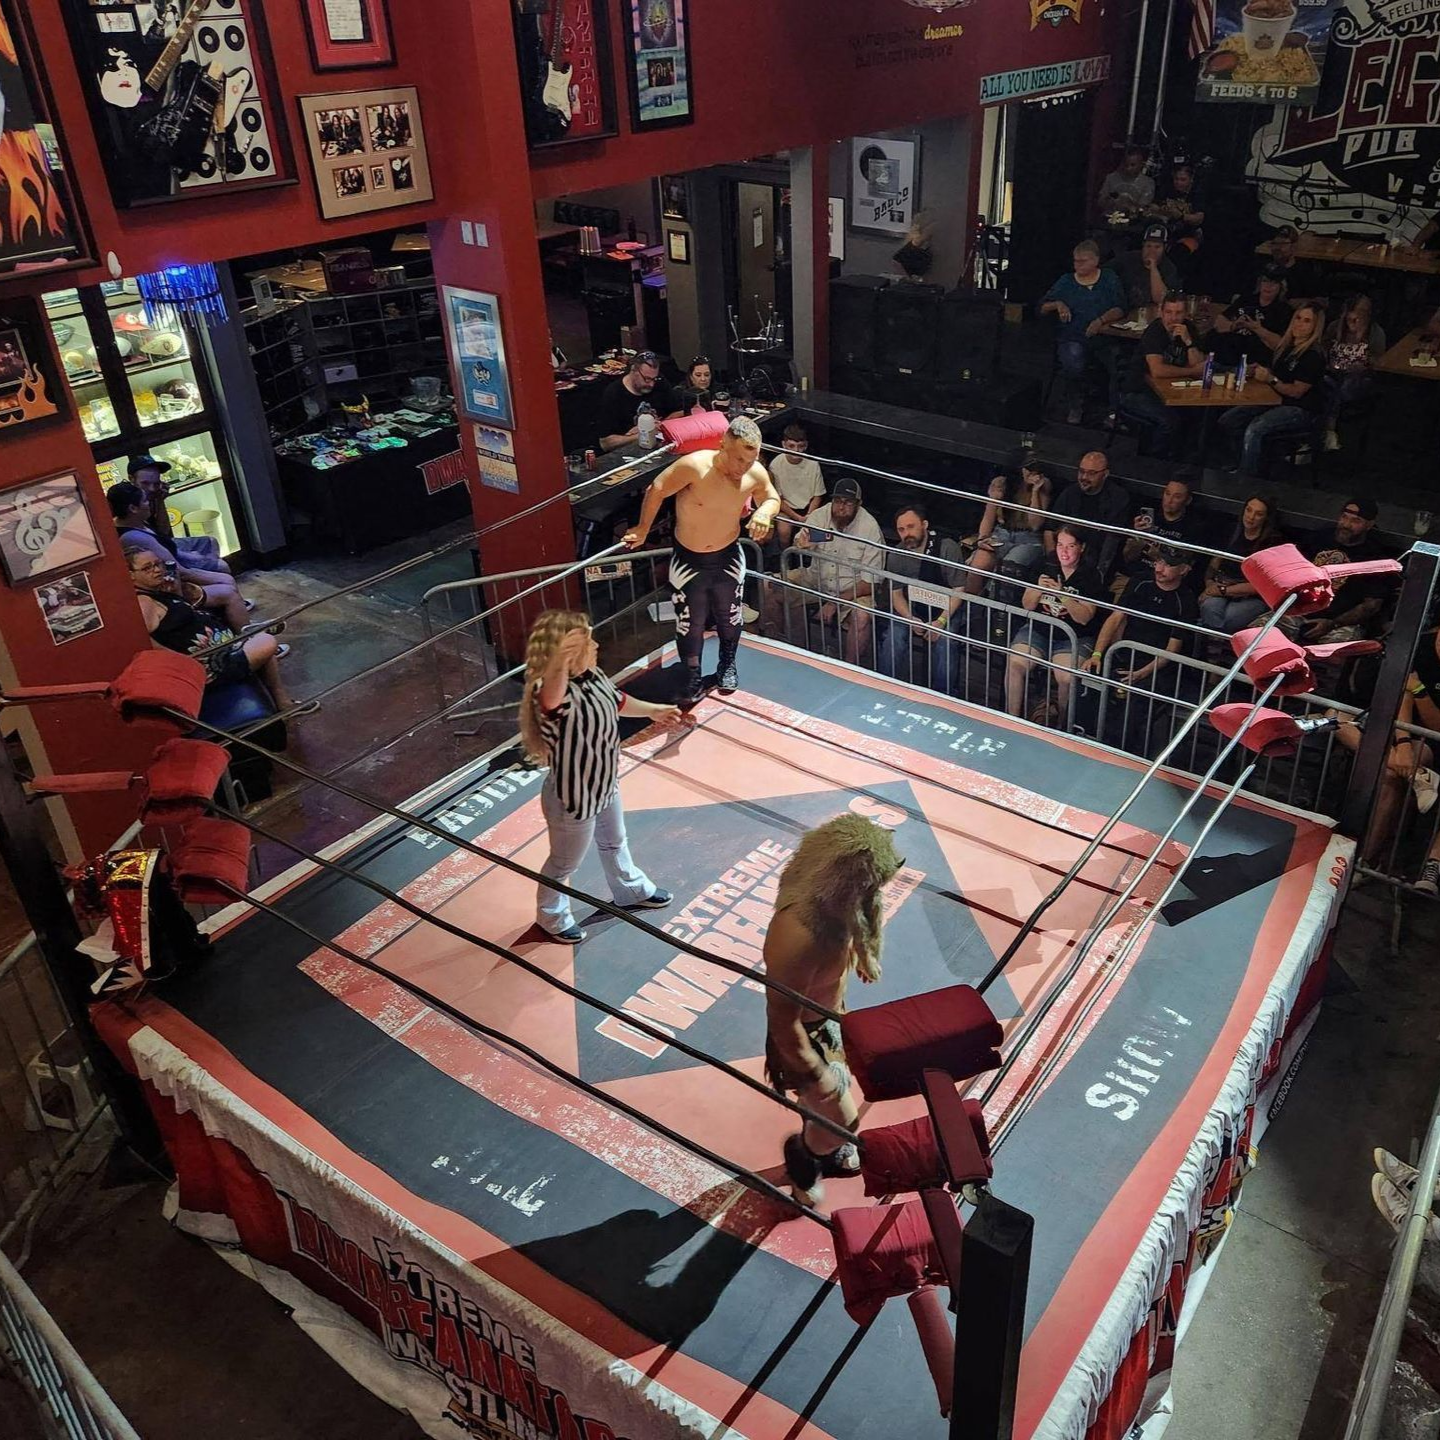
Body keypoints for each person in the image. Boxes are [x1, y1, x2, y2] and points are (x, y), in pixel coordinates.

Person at [764, 814, 905, 1203]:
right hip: (806, 1035)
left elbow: (866, 909)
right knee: (845, 1119)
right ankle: (803, 1158)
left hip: (829, 1016)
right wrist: (814, 1075)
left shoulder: (835, 902)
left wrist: (863, 952)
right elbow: (782, 1019)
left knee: (829, 1110)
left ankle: (820, 1130)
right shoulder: (799, 935)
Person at [518, 610, 679, 944]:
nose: (595, 645)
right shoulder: (549, 693)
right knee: (564, 863)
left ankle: (630, 889)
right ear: (567, 653)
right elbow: (551, 697)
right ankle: (551, 916)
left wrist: (652, 710)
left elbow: (618, 701)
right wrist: (560, 658)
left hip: (606, 783)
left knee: (615, 841)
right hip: (572, 797)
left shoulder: (593, 677)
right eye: (586, 641)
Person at [623, 415, 779, 703]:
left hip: (728, 555)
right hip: (689, 558)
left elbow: (771, 496)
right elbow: (657, 488)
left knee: (730, 617)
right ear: (723, 446)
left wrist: (764, 512)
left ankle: (727, 663)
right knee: (689, 622)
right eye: (738, 460)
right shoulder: (694, 466)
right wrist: (643, 528)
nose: (742, 468)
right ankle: (691, 673)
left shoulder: (754, 473)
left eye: (750, 460)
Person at [123, 545, 310, 714]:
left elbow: (180, 614)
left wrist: (175, 592)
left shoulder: (157, 591)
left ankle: (280, 698)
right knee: (267, 641)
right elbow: (147, 642)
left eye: (158, 564)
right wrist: (185, 666)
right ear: (130, 574)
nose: (156, 570)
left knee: (261, 641)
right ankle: (254, 639)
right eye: (147, 568)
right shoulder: (143, 602)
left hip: (220, 649)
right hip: (210, 666)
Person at [766, 477, 885, 665]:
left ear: (858, 504)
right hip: (816, 578)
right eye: (837, 501)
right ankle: (785, 650)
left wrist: (834, 603)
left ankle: (849, 669)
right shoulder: (820, 516)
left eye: (847, 503)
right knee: (769, 585)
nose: (841, 507)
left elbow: (869, 584)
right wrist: (801, 544)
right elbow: (799, 541)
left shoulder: (870, 529)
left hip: (852, 589)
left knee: (862, 615)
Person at [108, 481, 251, 633]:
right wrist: (213, 574)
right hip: (167, 589)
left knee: (214, 555)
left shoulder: (135, 522)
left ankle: (238, 618)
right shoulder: (133, 536)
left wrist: (194, 557)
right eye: (144, 500)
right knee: (227, 585)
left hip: (169, 579)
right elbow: (178, 570)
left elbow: (165, 534)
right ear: (132, 508)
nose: (148, 502)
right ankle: (246, 634)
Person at [1005, 524, 1108, 726]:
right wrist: (1037, 589)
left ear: (1082, 547)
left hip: (1073, 636)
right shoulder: (1044, 564)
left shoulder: (1091, 575)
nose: (1064, 551)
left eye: (1070, 546)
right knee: (1016, 664)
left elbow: (1084, 617)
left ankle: (1061, 726)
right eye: (1060, 545)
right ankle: (1012, 720)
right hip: (1039, 629)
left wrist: (1063, 596)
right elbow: (1027, 604)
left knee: (1066, 678)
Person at [1217, 303, 1326, 479]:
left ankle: (1247, 477)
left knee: (1255, 429)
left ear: (1315, 327)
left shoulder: (1313, 355)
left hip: (1301, 408)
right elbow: (1279, 373)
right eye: (1298, 318)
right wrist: (1260, 370)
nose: (1299, 324)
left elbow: (1297, 391)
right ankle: (1241, 463)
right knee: (1229, 420)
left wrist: (1270, 379)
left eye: (1307, 321)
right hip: (1274, 399)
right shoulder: (1286, 346)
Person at [875, 503, 964, 691]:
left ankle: (944, 698)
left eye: (911, 527)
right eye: (901, 529)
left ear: (924, 525)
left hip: (946, 609)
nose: (906, 533)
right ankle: (883, 687)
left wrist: (940, 622)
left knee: (946, 642)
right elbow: (896, 593)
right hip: (913, 608)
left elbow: (959, 588)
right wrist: (909, 618)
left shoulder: (947, 547)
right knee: (894, 636)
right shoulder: (897, 554)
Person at [1039, 240, 1126, 426]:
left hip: (1104, 336)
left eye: (1082, 261)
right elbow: (1042, 307)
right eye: (1075, 261)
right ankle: (1075, 404)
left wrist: (1101, 320)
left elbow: (1120, 308)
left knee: (1120, 362)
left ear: (1095, 261)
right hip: (1072, 335)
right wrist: (1058, 304)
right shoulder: (1066, 281)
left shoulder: (1109, 278)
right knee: (1073, 360)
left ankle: (1114, 411)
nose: (1077, 265)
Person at [1086, 546, 1198, 687]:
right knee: (1088, 678)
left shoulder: (1186, 600)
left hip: (1157, 665)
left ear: (1184, 569)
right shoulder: (1140, 580)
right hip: (1124, 652)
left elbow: (1172, 649)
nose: (1159, 569)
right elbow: (1115, 618)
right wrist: (1097, 655)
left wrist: (1142, 673)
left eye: (1168, 565)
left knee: (1141, 695)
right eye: (1158, 561)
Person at [1291, 497, 1396, 644]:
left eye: (1356, 521)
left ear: (1369, 525)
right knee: (1257, 632)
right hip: (1297, 611)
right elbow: (1290, 572)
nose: (1346, 525)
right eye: (1344, 517)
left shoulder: (1376, 559)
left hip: (1340, 623)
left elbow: (1371, 606)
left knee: (1339, 650)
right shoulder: (1318, 538)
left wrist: (1333, 624)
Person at [1118, 290, 1206, 457]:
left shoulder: (1189, 330)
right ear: (1161, 312)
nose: (1173, 318)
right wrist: (1191, 371)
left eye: (1178, 313)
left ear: (1186, 314)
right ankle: (1154, 462)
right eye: (1169, 312)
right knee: (1169, 422)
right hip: (1137, 391)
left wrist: (1188, 342)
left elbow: (1200, 365)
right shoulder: (1155, 331)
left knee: (1196, 415)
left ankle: (1184, 459)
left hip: (1171, 391)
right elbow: (1157, 370)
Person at [129, 454, 231, 574]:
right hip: (152, 552)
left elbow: (164, 531)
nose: (151, 488)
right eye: (145, 483)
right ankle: (210, 574)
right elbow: (156, 542)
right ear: (131, 479)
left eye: (156, 484)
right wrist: (187, 556)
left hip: (162, 542)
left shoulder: (154, 495)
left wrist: (160, 500)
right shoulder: (132, 502)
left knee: (211, 542)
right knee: (222, 567)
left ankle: (208, 575)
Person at [1198, 495, 1282, 635]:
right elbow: (1215, 561)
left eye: (1258, 514)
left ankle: (1212, 643)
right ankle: (1215, 644)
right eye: (1248, 510)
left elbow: (1259, 585)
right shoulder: (1230, 531)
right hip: (1222, 584)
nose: (1251, 517)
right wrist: (1209, 583)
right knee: (1209, 607)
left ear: (1266, 518)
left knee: (1230, 617)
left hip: (1253, 595)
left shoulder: (1272, 542)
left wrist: (1222, 591)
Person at [965, 462, 1051, 593]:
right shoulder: (1003, 482)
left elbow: (1035, 524)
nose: (1031, 474)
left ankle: (996, 610)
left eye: (1035, 470)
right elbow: (989, 516)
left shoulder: (1044, 484)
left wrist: (1035, 492)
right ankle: (969, 608)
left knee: (1007, 570)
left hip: (1028, 538)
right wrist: (982, 539)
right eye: (1028, 469)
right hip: (1002, 533)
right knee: (977, 565)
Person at [1048, 450, 1131, 580]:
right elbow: (1050, 529)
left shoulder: (1118, 497)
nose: (1084, 477)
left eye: (1091, 473)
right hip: (1066, 556)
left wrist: (1099, 574)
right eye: (1081, 471)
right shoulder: (1070, 493)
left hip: (1097, 558)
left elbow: (1113, 541)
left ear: (1105, 474)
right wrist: (1053, 563)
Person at [1319, 295, 1386, 452]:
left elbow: (1380, 363)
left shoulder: (1376, 333)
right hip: (1333, 375)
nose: (1355, 319)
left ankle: (1329, 429)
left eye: (1361, 314)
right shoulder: (1335, 327)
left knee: (1343, 388)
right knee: (1324, 385)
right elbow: (1322, 350)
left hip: (1359, 379)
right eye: (1352, 316)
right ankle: (1321, 432)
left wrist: (1363, 364)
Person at [597, 352, 683, 452]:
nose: (651, 384)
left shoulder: (660, 382)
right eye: (646, 379)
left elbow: (680, 411)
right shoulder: (614, 394)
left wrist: (660, 425)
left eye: (654, 379)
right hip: (629, 451)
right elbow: (605, 443)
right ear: (633, 371)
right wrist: (642, 434)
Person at [1209, 266, 1292, 368]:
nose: (1268, 286)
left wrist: (1257, 329)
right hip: (1226, 352)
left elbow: (1280, 345)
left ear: (1281, 286)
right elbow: (1219, 322)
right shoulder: (1246, 299)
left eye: (1274, 283)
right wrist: (1234, 325)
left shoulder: (1284, 310)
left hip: (1253, 360)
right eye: (1265, 281)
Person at [768, 422, 827, 548]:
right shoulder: (776, 464)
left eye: (800, 446)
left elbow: (817, 495)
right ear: (784, 445)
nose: (796, 451)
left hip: (809, 509)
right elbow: (778, 498)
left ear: (805, 446)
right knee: (784, 531)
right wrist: (797, 517)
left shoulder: (813, 464)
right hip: (787, 509)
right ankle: (786, 557)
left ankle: (808, 559)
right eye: (791, 446)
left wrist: (808, 516)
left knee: (817, 533)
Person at [1149, 162, 1205, 280]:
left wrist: (1181, 216)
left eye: (1182, 179)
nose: (1178, 182)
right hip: (1165, 233)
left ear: (1191, 179)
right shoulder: (1168, 190)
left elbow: (1199, 218)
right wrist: (1161, 210)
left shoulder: (1197, 194)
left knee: (1178, 255)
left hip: (1189, 235)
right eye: (1176, 179)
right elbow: (1152, 206)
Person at [1112, 224, 1181, 311]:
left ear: (1165, 248)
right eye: (1148, 246)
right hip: (1122, 311)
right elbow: (1103, 271)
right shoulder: (1128, 258)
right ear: (1143, 245)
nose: (1152, 251)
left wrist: (1153, 267)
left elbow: (1161, 300)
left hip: (1149, 313)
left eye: (1157, 247)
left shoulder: (1169, 268)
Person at [1266, 225, 1322, 304]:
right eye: (1274, 243)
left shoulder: (1305, 272)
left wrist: (1295, 302)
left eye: (1283, 244)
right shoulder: (1266, 269)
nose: (1277, 248)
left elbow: (1321, 301)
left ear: (1294, 246)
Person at [1096, 146, 1156, 217]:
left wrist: (1128, 204)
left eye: (1132, 165)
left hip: (1134, 221)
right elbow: (1100, 202)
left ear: (1141, 165)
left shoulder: (1148, 183)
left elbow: (1144, 208)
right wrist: (1111, 201)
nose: (1128, 168)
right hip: (1110, 218)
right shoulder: (1111, 178)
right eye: (1126, 164)